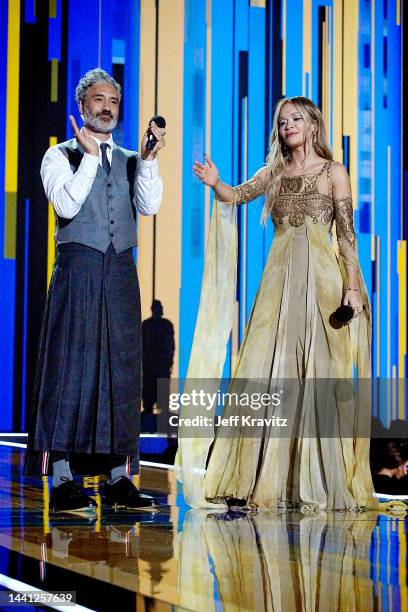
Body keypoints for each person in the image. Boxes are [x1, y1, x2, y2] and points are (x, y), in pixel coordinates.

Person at [176, 96, 376, 511]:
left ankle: (318, 482)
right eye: (282, 122)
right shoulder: (273, 173)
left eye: (295, 119)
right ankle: (257, 482)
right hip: (277, 285)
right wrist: (216, 183)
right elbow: (235, 195)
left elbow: (347, 235)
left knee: (319, 375)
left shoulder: (334, 172)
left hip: (323, 284)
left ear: (313, 125)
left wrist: (352, 288)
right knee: (266, 373)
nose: (288, 126)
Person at [24, 68, 165, 513]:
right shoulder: (58, 155)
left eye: (113, 102)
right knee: (70, 371)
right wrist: (88, 157)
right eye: (98, 100)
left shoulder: (129, 157)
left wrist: (150, 160)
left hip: (120, 269)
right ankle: (63, 477)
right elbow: (65, 205)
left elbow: (149, 205)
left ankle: (119, 479)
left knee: (121, 374)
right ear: (82, 106)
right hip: (79, 270)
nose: (107, 108)